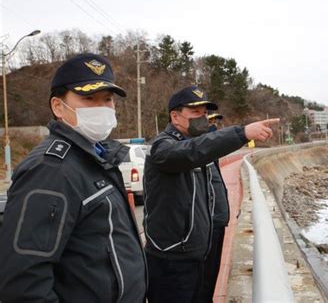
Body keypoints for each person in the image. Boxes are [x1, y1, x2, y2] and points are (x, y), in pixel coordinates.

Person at [0, 53, 147, 303]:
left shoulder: (95, 156)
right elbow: (23, 283)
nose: (101, 108)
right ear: (58, 106)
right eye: (89, 98)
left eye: (107, 99)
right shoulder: (50, 170)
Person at [144, 86, 278, 303]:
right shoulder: (162, 147)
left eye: (205, 113)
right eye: (195, 112)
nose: (203, 117)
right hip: (171, 259)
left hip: (198, 253)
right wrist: (241, 133)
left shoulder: (192, 144)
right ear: (175, 116)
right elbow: (194, 151)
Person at [198, 111, 229, 302]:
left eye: (215, 121)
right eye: (209, 122)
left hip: (217, 221)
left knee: (210, 279)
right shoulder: (196, 150)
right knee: (203, 280)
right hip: (207, 224)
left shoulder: (210, 152)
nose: (214, 125)